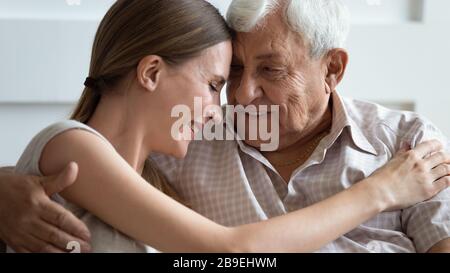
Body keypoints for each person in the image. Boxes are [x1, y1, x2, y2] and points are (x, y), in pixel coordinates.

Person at [0, 0, 449, 253]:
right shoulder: (180, 142)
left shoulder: (407, 148)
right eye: (228, 76)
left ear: (332, 68)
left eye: (270, 71)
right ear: (151, 73)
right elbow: (230, 250)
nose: (235, 98)